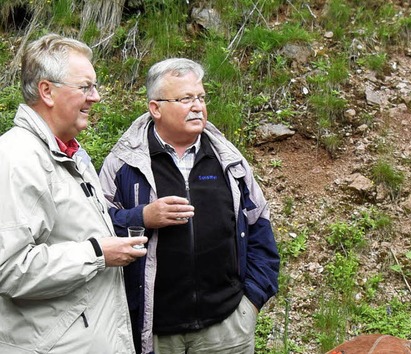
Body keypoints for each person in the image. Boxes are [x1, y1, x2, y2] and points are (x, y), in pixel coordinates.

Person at [99, 58, 280, 354]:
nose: (198, 106)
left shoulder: (227, 160)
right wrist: (142, 216)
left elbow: (259, 225)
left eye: (201, 97)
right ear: (155, 108)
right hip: (154, 332)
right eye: (185, 99)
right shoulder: (124, 164)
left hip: (226, 327)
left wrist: (252, 303)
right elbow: (98, 228)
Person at [0, 34, 147, 353]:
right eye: (85, 87)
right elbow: (10, 269)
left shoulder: (72, 155)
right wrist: (97, 254)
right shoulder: (17, 158)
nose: (96, 97)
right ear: (47, 91)